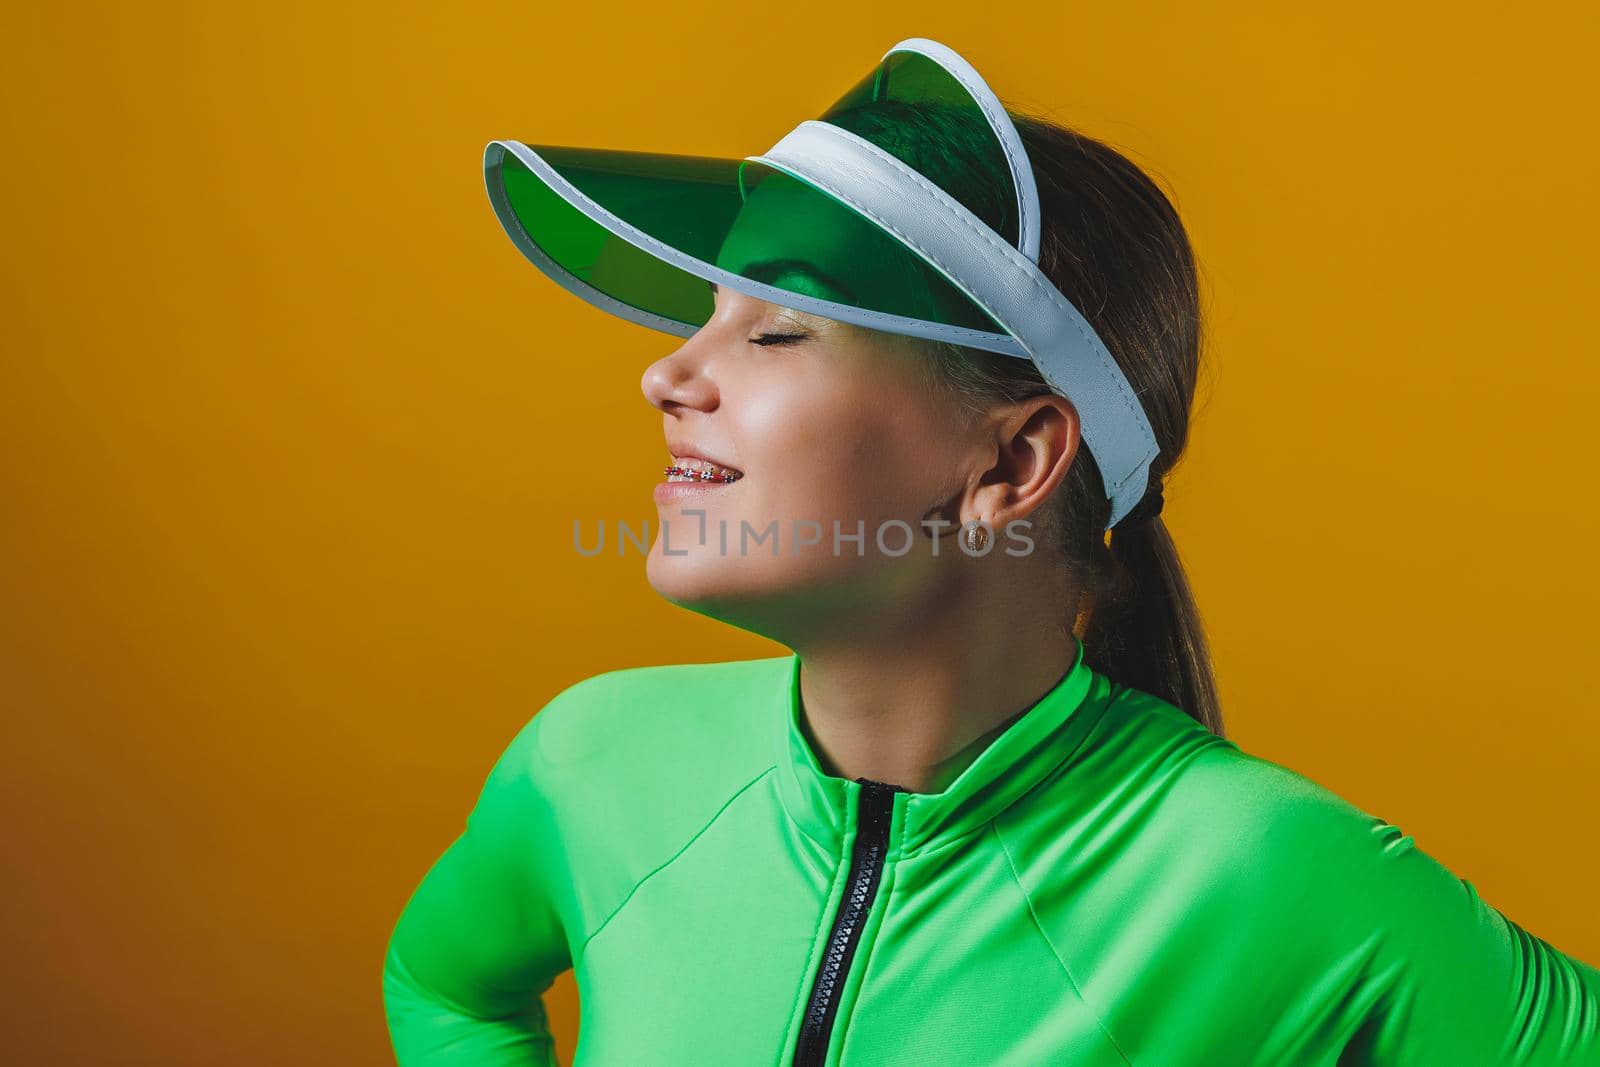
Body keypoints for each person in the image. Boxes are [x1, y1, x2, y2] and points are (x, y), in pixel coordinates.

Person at [382, 37, 1600, 1065]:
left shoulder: (1270, 876)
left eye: (781, 329)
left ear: (1014, 464)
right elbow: (445, 985)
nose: (666, 375)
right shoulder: (590, 761)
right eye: (707, 318)